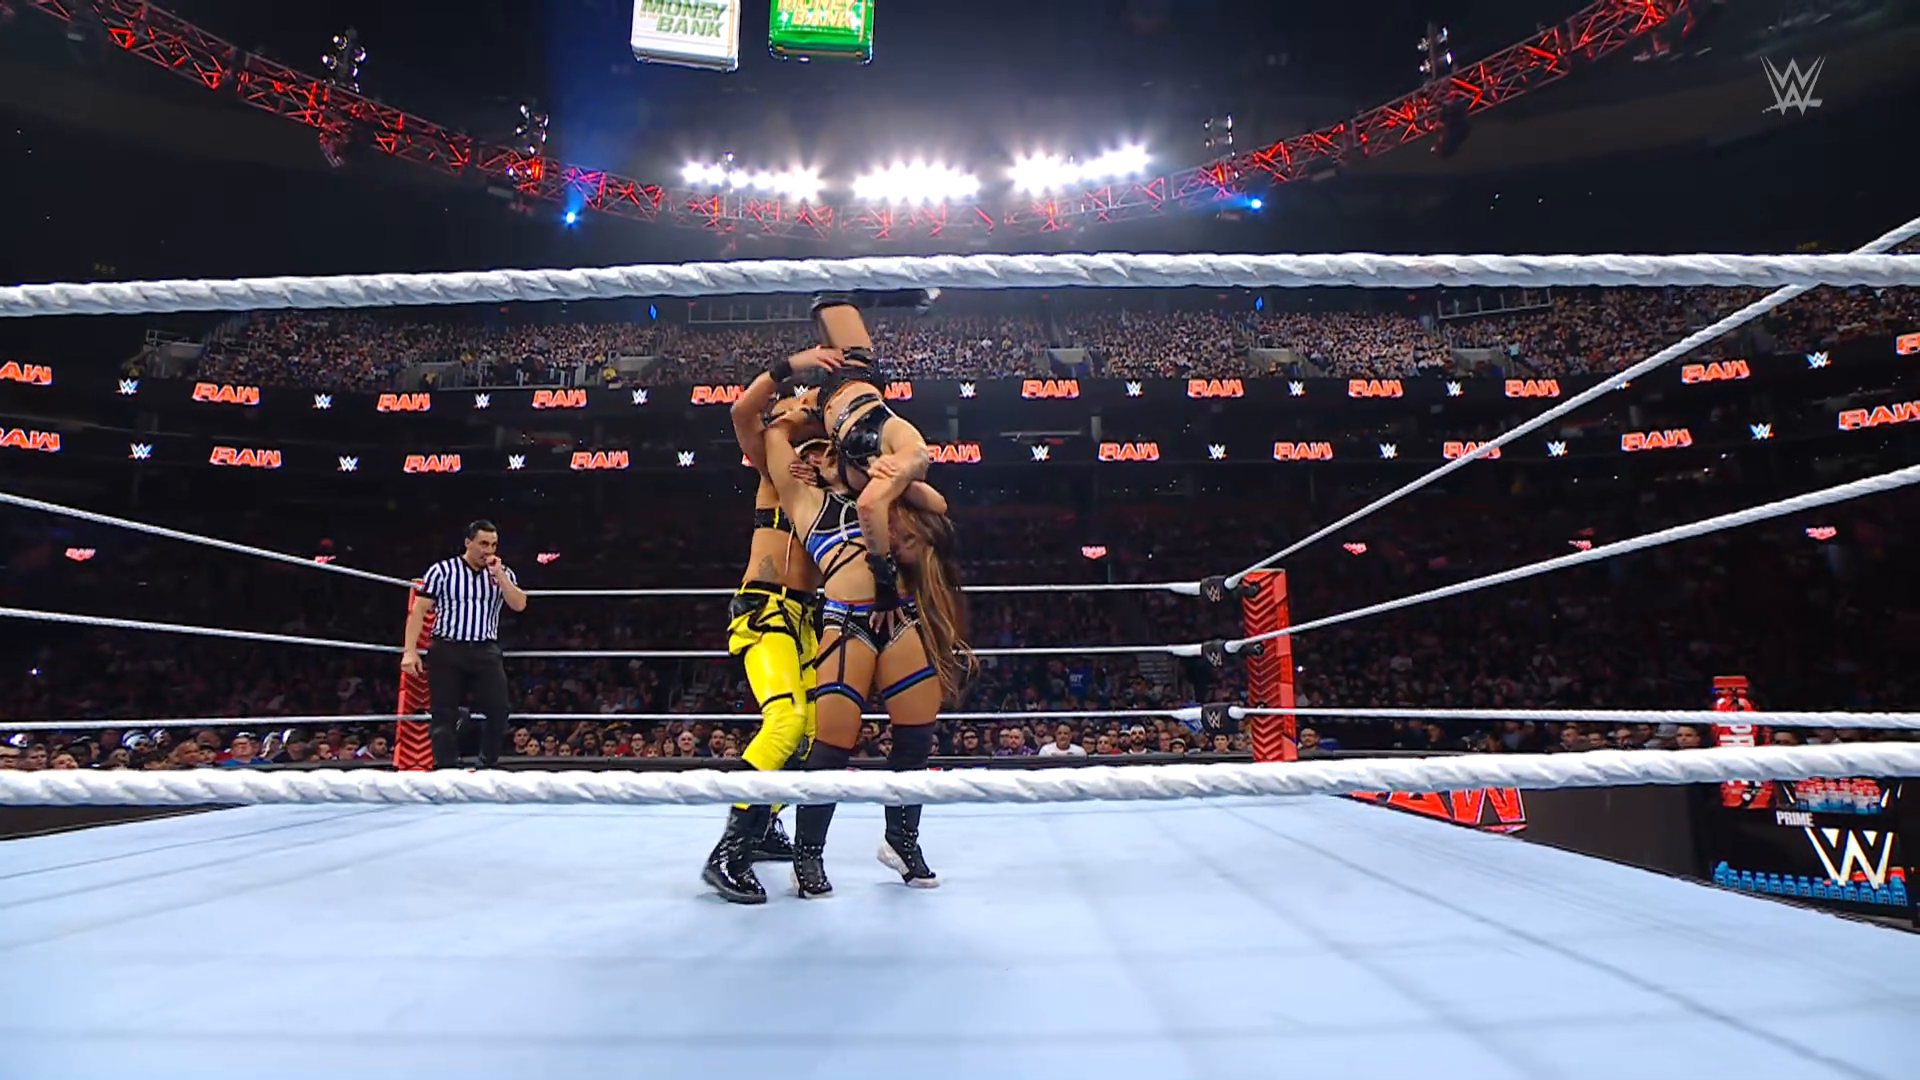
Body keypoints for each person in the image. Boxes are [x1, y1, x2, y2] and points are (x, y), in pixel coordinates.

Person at [761, 394, 973, 898]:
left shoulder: (882, 496)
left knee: (917, 734)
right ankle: (807, 855)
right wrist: (802, 415)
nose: (822, 457)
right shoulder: (806, 500)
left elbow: (939, 505)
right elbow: (773, 435)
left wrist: (878, 473)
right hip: (848, 620)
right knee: (832, 744)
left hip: (900, 613)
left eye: (829, 450)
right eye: (815, 452)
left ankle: (902, 840)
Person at [803, 294, 940, 585]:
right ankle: (910, 295)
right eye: (907, 539)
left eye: (895, 548)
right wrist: (883, 574)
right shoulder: (912, 456)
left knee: (821, 303)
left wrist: (818, 472)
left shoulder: (873, 484)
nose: (893, 539)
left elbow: (867, 499)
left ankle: (897, 297)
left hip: (827, 398)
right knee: (830, 295)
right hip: (856, 373)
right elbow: (874, 504)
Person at [400, 520, 527, 769]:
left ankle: (486, 764)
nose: (488, 550)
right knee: (443, 713)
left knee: (499, 709)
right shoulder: (442, 571)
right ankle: (446, 769)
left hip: (485, 650)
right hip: (447, 648)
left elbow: (519, 604)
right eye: (483, 544)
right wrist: (410, 651)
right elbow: (419, 610)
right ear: (468, 543)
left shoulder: (502, 573)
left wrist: (500, 576)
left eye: (493, 545)